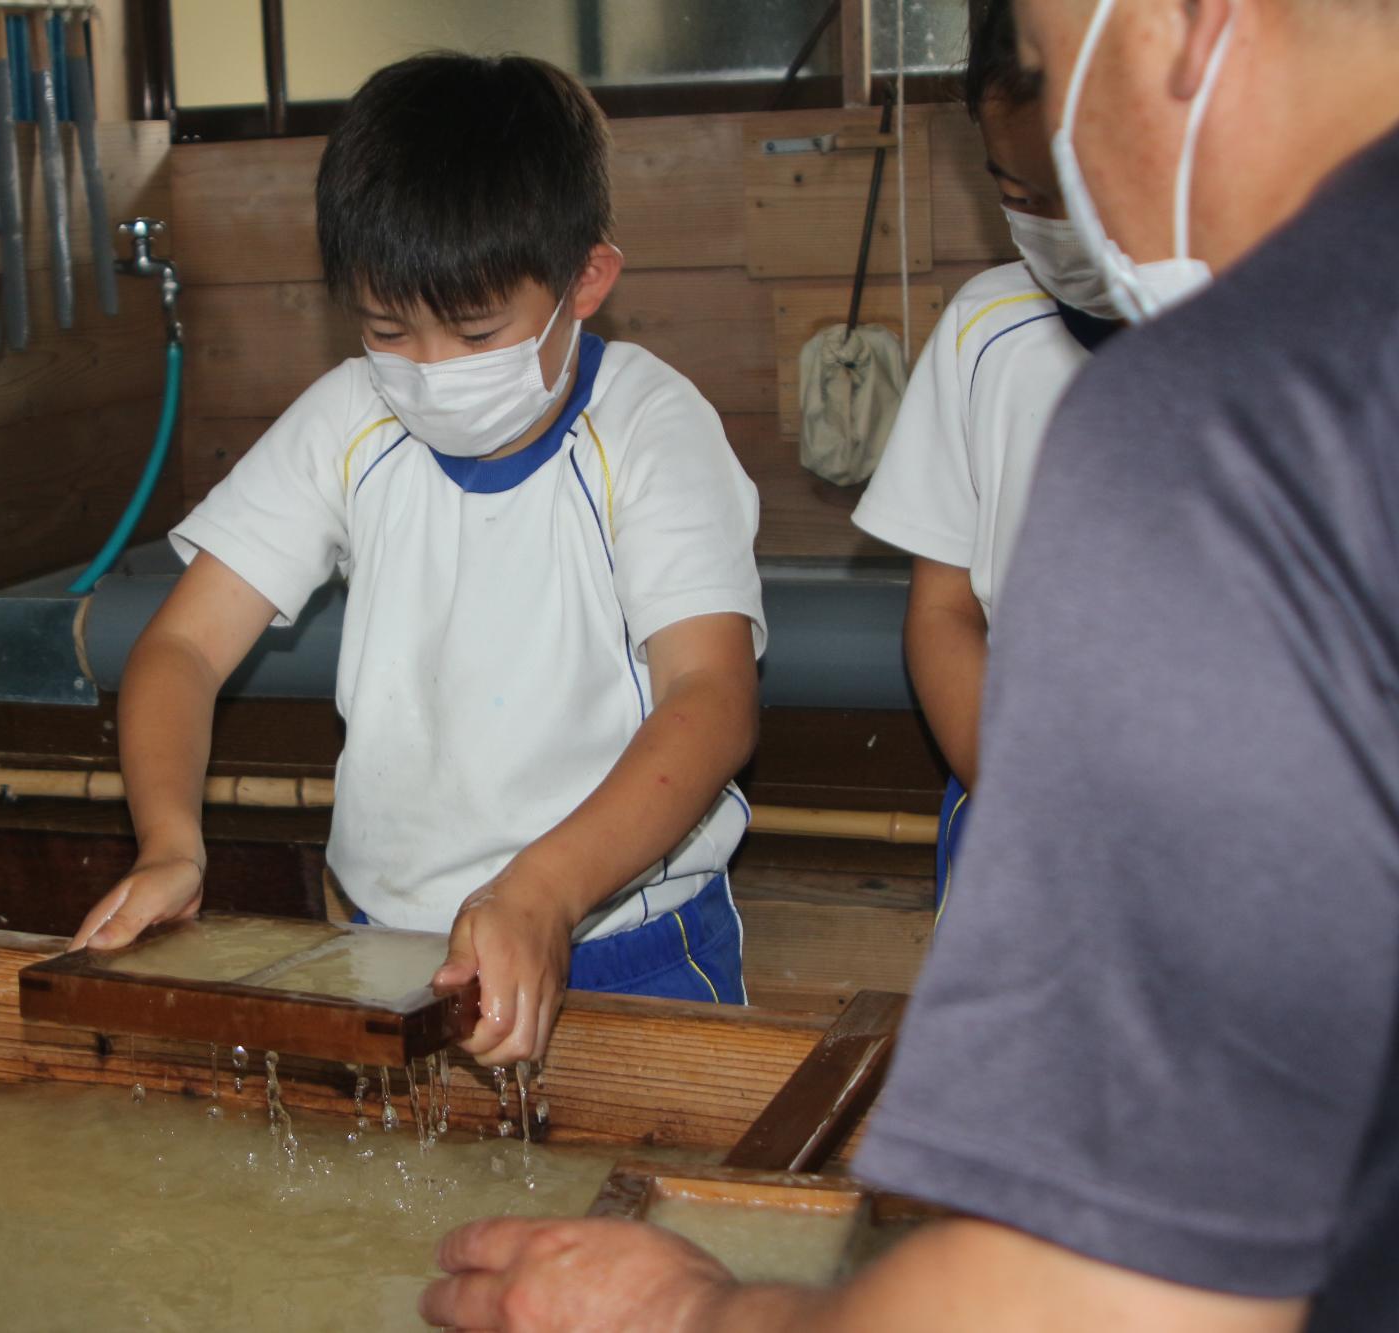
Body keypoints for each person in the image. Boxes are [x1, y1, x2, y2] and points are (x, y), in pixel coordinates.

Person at [423, 0, 1399, 1326]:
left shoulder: (1245, 416)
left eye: (1050, 72)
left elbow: (1105, 1297)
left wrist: (685, 1314)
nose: (1059, 143)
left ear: (1185, 21)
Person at [67, 53, 767, 1067]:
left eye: (475, 333)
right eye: (387, 329)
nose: (428, 372)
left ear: (585, 281)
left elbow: (710, 699)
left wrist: (542, 889)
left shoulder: (651, 430)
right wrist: (171, 841)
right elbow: (179, 648)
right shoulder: (349, 418)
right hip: (381, 948)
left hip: (622, 939)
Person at [850, 0, 1122, 914]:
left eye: (1079, 194)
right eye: (1015, 193)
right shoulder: (986, 330)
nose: (1049, 223)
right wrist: (1018, 792)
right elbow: (943, 608)